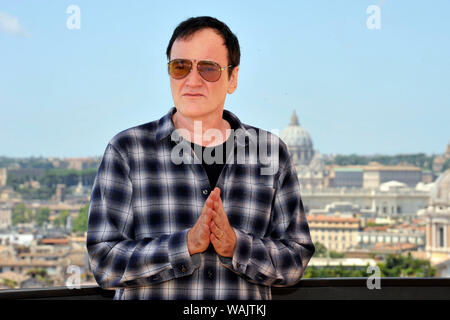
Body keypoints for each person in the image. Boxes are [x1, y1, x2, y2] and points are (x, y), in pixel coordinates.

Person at [87, 16, 315, 300]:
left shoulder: (271, 152)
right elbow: (103, 263)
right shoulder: (126, 150)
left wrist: (236, 247)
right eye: (180, 67)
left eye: (208, 69)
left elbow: (295, 260)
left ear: (232, 78)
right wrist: (184, 245)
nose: (192, 80)